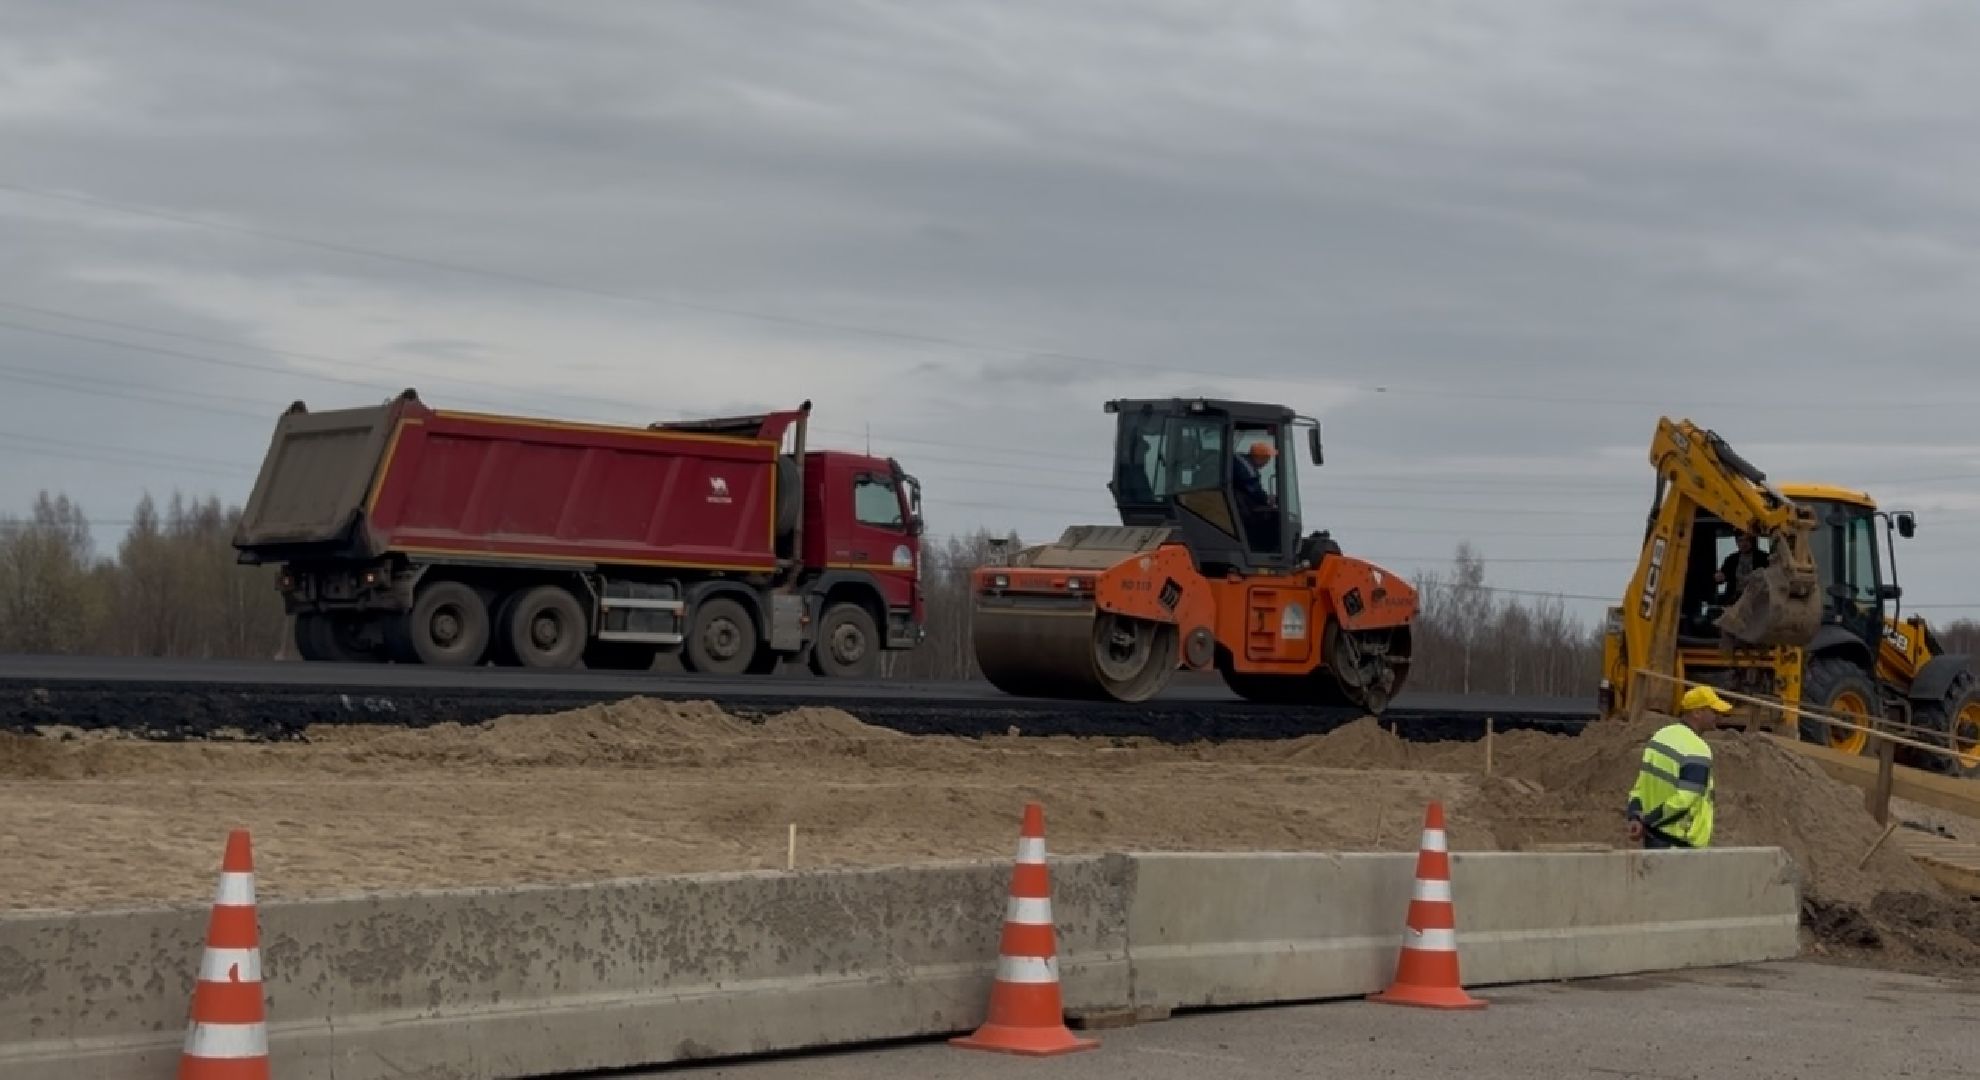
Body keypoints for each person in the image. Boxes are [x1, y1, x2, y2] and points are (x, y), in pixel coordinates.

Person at [1626, 685, 1730, 850]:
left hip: (1653, 838)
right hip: (1680, 843)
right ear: (1697, 713)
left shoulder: (1660, 737)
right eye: (1713, 712)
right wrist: (1648, 821)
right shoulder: (1697, 749)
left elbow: (1641, 786)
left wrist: (1635, 816)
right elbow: (1685, 800)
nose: (1718, 717)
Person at [1716, 532, 1768, 604]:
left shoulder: (1763, 557)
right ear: (1736, 542)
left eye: (1746, 540)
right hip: (1735, 599)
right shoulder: (1731, 559)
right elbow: (1722, 578)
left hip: (1758, 599)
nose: (1744, 544)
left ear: (1752, 541)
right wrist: (1719, 578)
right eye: (1740, 540)